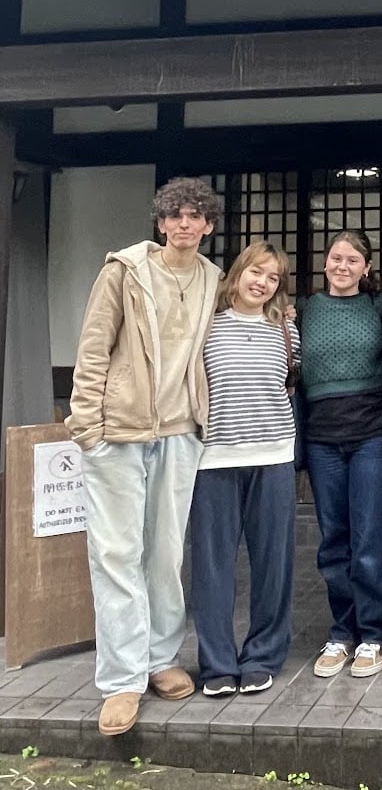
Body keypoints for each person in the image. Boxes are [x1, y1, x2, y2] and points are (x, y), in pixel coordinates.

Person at [66, 177, 222, 736]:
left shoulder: (211, 278)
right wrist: (86, 426)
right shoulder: (124, 271)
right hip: (119, 431)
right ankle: (121, 680)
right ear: (160, 223)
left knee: (163, 553)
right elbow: (93, 346)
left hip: (181, 431)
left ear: (208, 225)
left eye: (195, 216)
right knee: (116, 554)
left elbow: (260, 307)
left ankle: (160, 658)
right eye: (174, 215)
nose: (184, 224)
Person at [190, 241, 299, 697]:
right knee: (212, 566)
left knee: (273, 565)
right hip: (214, 457)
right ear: (237, 273)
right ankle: (216, 661)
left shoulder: (285, 330)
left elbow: (292, 384)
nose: (263, 283)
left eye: (273, 278)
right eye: (257, 272)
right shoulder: (205, 326)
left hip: (273, 456)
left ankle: (263, 655)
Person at [298, 231, 382, 679]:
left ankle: (375, 632)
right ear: (325, 263)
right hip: (322, 439)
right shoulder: (302, 310)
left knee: (370, 539)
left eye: (353, 259)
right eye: (336, 258)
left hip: (371, 435)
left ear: (366, 268)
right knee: (334, 538)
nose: (343, 266)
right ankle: (342, 631)